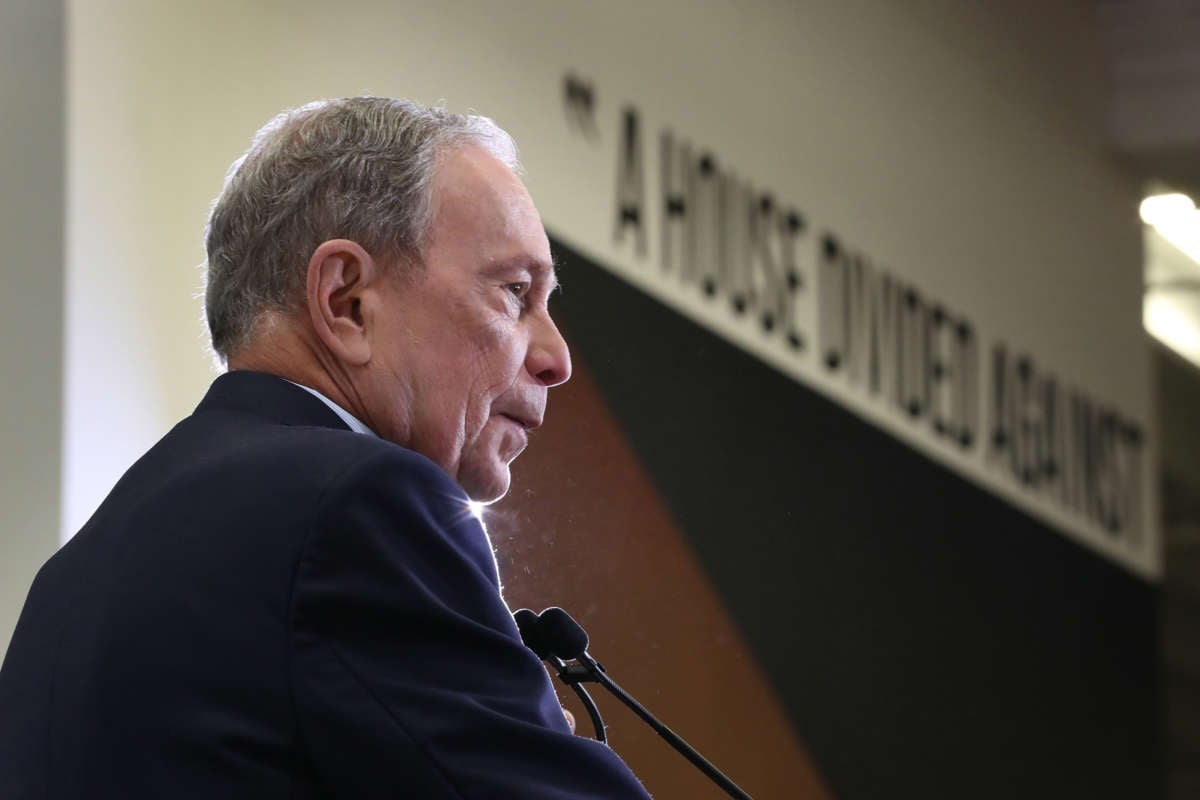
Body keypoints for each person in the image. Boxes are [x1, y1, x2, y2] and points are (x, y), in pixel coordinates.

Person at [0, 97, 651, 798]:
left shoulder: (70, 578)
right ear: (346, 303)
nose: (557, 359)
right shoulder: (359, 510)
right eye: (515, 293)